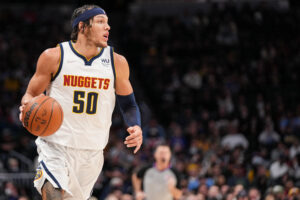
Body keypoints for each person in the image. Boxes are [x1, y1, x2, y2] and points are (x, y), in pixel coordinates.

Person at [19, 4, 143, 199]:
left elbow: (128, 104)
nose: (108, 27)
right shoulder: (54, 57)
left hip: (92, 152)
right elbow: (31, 94)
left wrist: (135, 126)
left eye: (108, 23)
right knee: (52, 193)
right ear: (82, 27)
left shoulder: (117, 62)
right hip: (55, 145)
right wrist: (26, 106)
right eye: (101, 22)